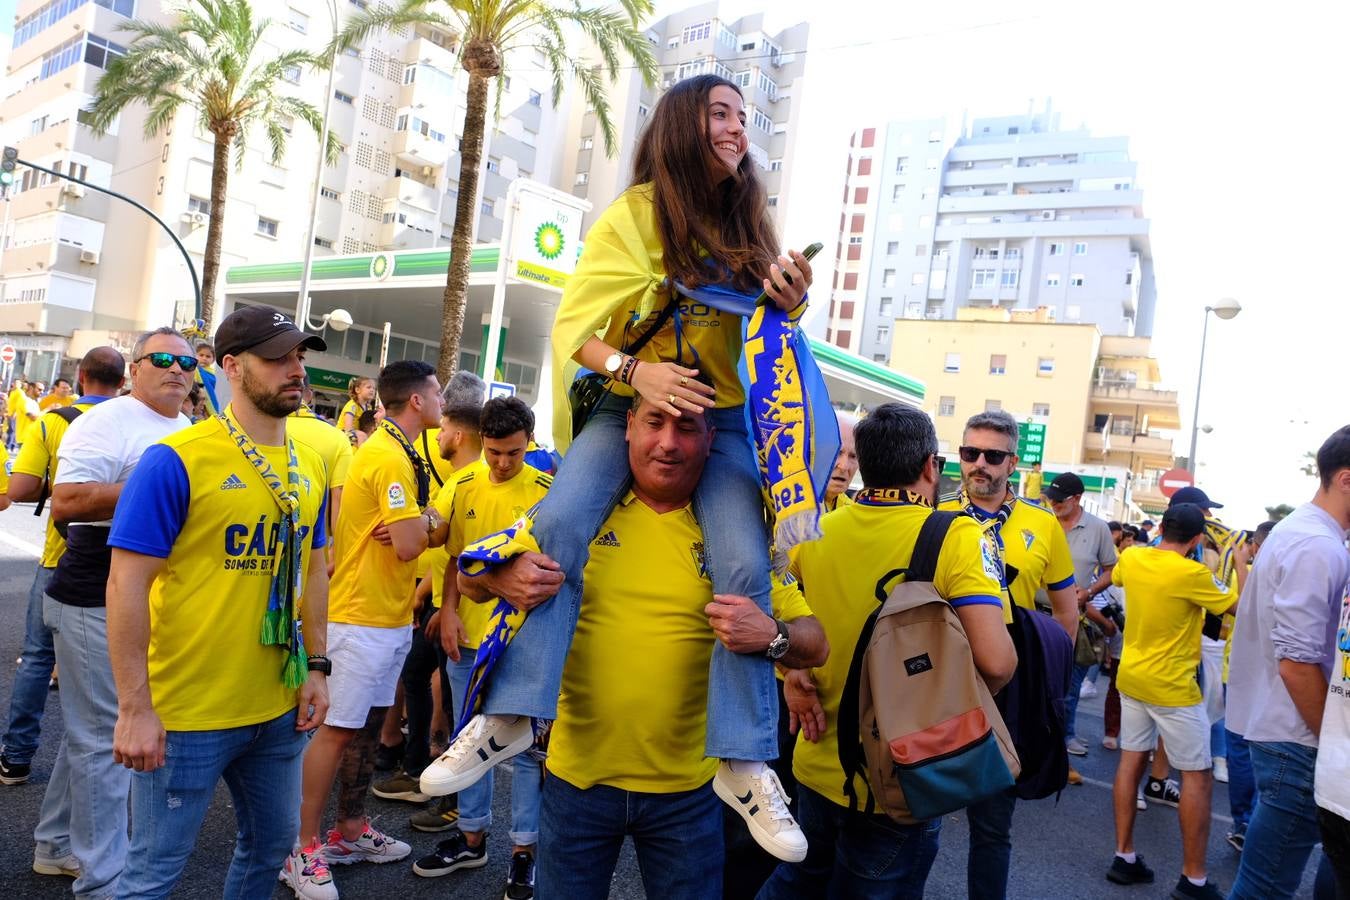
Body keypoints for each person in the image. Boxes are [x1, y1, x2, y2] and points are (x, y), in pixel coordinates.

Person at [424, 73, 815, 854]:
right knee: (561, 521)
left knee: (743, 557)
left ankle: (742, 760)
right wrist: (642, 378)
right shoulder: (635, 214)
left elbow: (768, 335)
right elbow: (578, 328)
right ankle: (508, 713)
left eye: (744, 116)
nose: (739, 128)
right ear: (680, 126)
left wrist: (792, 297)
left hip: (727, 415)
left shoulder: (753, 221)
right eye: (721, 114)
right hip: (624, 398)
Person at [453, 386, 826, 898]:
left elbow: (816, 643)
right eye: (655, 422)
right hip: (576, 785)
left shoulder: (735, 537)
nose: (668, 443)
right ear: (627, 426)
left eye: (687, 427)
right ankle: (502, 717)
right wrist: (500, 580)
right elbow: (470, 581)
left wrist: (773, 637)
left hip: (688, 796)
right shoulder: (576, 513)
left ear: (712, 438)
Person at [105, 307, 332, 897]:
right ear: (231, 366)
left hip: (278, 710)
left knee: (267, 853)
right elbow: (125, 585)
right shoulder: (176, 459)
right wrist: (134, 708)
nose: (295, 369)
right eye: (277, 357)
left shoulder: (310, 463)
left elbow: (313, 565)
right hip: (188, 716)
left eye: (299, 357)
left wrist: (318, 667)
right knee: (152, 875)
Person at [759, 403, 1015, 898]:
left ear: (865, 464)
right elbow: (998, 662)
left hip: (814, 761)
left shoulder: (814, 529)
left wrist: (791, 671)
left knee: (798, 880)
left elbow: (766, 602)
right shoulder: (956, 535)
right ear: (929, 466)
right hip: (904, 773)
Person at [41, 327, 193, 899]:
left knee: (92, 731)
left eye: (184, 362)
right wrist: (146, 488)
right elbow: (68, 501)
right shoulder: (104, 422)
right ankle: (103, 879)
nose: (176, 370)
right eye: (162, 360)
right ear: (135, 369)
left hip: (147, 597)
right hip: (91, 592)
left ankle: (54, 844)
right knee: (104, 736)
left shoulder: (185, 430)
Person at [287, 360, 445, 900]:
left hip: (386, 615)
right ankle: (301, 848)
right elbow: (408, 543)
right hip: (358, 617)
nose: (443, 400)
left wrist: (422, 521)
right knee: (334, 733)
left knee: (364, 726)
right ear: (417, 401)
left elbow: (417, 529)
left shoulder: (401, 450)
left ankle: (349, 830)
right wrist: (426, 525)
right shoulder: (387, 455)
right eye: (437, 392)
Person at [409, 397, 552, 896]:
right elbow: (450, 552)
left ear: (528, 443)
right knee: (468, 742)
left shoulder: (547, 492)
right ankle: (471, 838)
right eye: (494, 452)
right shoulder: (462, 482)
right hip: (468, 637)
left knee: (531, 750)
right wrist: (446, 611)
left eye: (513, 453)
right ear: (481, 443)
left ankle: (524, 853)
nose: (502, 463)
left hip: (523, 643)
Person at [938, 410, 1076, 900]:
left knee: (993, 825)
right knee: (916, 816)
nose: (979, 464)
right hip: (940, 684)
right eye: (970, 453)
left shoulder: (1043, 523)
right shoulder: (934, 516)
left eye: (993, 456)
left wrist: (1050, 680)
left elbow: (1066, 612)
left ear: (1012, 464)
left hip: (1009, 686)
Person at [0, 347, 124, 879]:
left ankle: (16, 756)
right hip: (93, 577)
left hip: (60, 564)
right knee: (96, 724)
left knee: (36, 662)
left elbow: (22, 490)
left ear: (80, 376)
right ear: (125, 379)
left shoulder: (53, 421)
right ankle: (78, 858)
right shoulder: (123, 423)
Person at [1227, 427, 1350, 900]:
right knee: (1263, 887)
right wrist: (1335, 742)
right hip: (1299, 737)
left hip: (1286, 730)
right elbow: (1297, 664)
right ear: (1345, 479)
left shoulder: (1299, 533)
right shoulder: (1316, 547)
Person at [1106, 503, 1248, 900]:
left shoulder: (1133, 557)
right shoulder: (1193, 573)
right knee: (1198, 777)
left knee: (1131, 760)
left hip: (1131, 678)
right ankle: (1193, 880)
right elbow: (1243, 607)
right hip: (1173, 690)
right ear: (1198, 539)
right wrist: (1239, 561)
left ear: (1164, 528)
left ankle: (1124, 857)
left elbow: (1114, 575)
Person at [402, 377, 487, 835]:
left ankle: (455, 805)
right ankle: (432, 777)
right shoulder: (463, 481)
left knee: (465, 719)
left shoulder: (467, 481)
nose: (437, 438)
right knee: (443, 697)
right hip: (450, 612)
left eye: (443, 430)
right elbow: (449, 546)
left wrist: (405, 525)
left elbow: (450, 546)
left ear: (455, 434)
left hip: (472, 628)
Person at [1045, 472, 1118, 763]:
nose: (1054, 504)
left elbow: (1113, 570)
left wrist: (1088, 591)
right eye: (1051, 498)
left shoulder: (1098, 528)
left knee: (1070, 683)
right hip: (1034, 612)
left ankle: (1065, 735)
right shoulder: (1043, 519)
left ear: (1077, 499)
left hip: (1073, 617)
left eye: (1060, 500)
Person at [1225, 520, 1275, 851]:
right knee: (1260, 751)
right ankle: (1250, 823)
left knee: (1244, 750)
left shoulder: (1254, 571)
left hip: (1247, 672)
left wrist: (1241, 565)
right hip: (1269, 675)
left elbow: (1244, 609)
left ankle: (1246, 823)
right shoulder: (1296, 570)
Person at [823, 411, 858, 511]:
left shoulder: (851, 513)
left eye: (853, 456)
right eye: (837, 452)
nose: (844, 466)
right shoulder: (785, 504)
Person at [339, 376, 376, 443]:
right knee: (362, 435)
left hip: (357, 435)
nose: (372, 390)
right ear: (357, 390)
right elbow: (348, 427)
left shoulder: (368, 407)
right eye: (368, 387)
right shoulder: (352, 405)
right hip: (343, 434)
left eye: (374, 388)